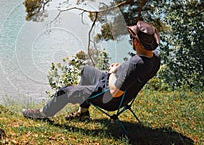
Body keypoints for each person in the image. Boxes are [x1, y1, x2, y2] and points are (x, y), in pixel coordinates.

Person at [22, 21, 161, 121]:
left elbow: (115, 92)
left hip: (109, 98)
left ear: (136, 42)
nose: (131, 39)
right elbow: (132, 76)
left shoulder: (135, 63)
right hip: (120, 94)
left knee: (66, 91)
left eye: (132, 37)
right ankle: (83, 113)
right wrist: (120, 69)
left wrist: (113, 72)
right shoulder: (154, 59)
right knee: (86, 70)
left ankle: (43, 113)